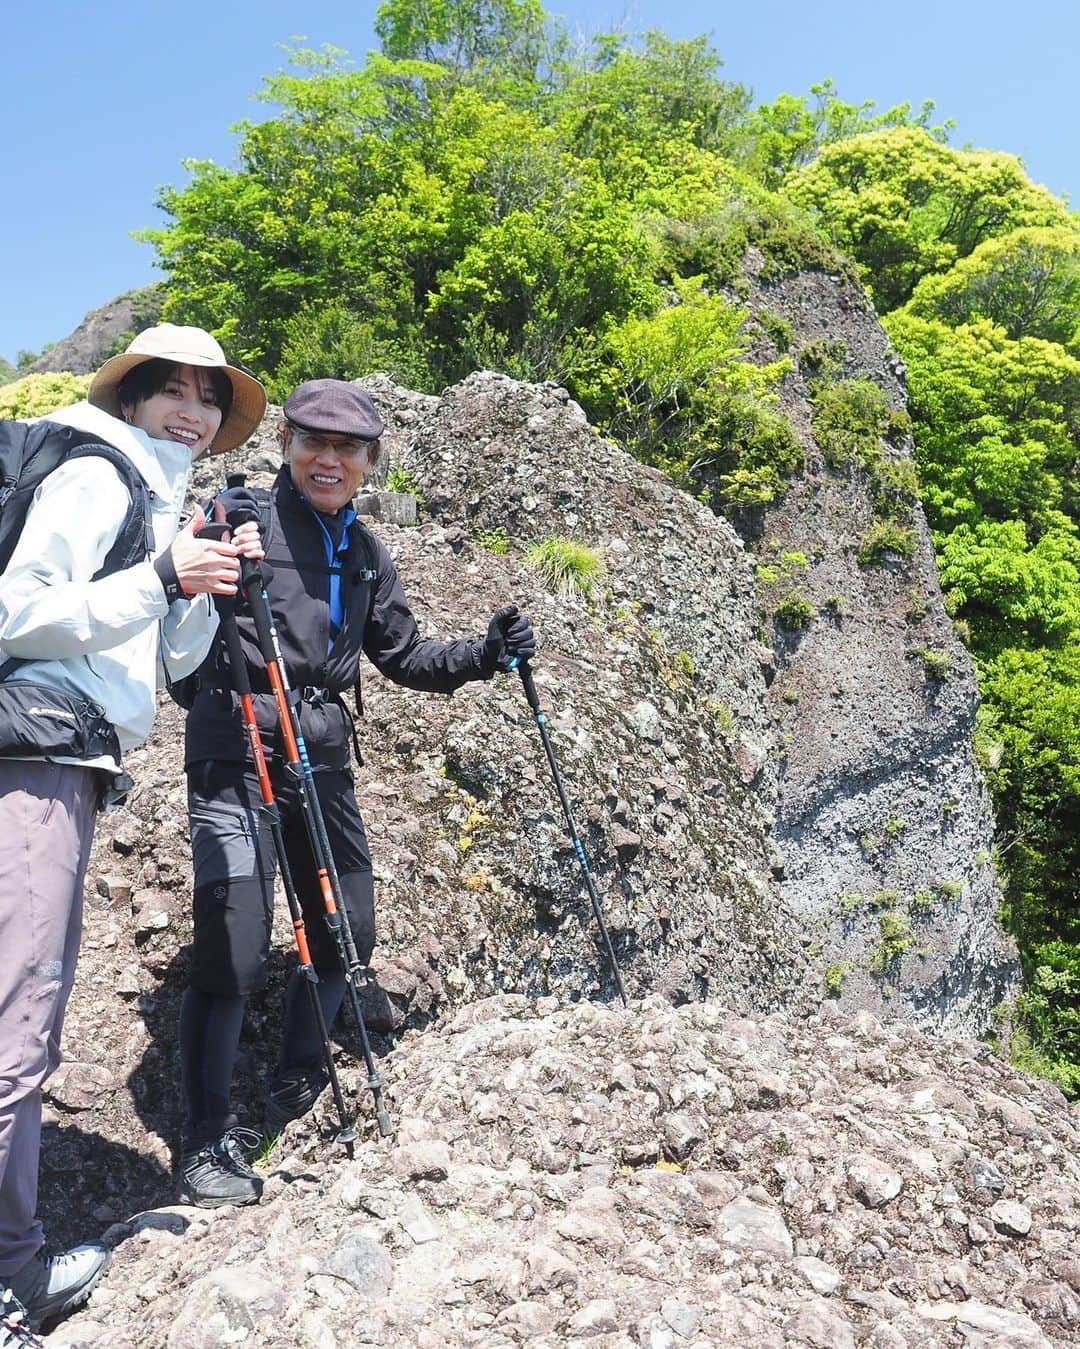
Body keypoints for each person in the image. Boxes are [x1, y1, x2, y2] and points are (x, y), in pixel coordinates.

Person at [175, 378, 535, 1207]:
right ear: (287, 446)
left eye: (346, 449)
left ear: (370, 461)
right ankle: (204, 1135)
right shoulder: (238, 521)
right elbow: (180, 617)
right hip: (237, 744)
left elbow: (402, 655)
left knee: (349, 928)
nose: (327, 459)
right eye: (312, 442)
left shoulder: (366, 554)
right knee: (234, 936)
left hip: (323, 749)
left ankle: (297, 1077)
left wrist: (488, 653)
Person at [0, 325, 266, 1342]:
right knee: (17, 1017)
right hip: (33, 750)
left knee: (28, 1005)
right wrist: (162, 572)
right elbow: (18, 612)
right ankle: (9, 1279)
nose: (194, 410)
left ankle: (15, 1257)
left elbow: (171, 655)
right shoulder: (97, 474)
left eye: (209, 396)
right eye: (174, 390)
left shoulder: (153, 498)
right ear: (134, 395)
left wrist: (197, 582)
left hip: (67, 756)